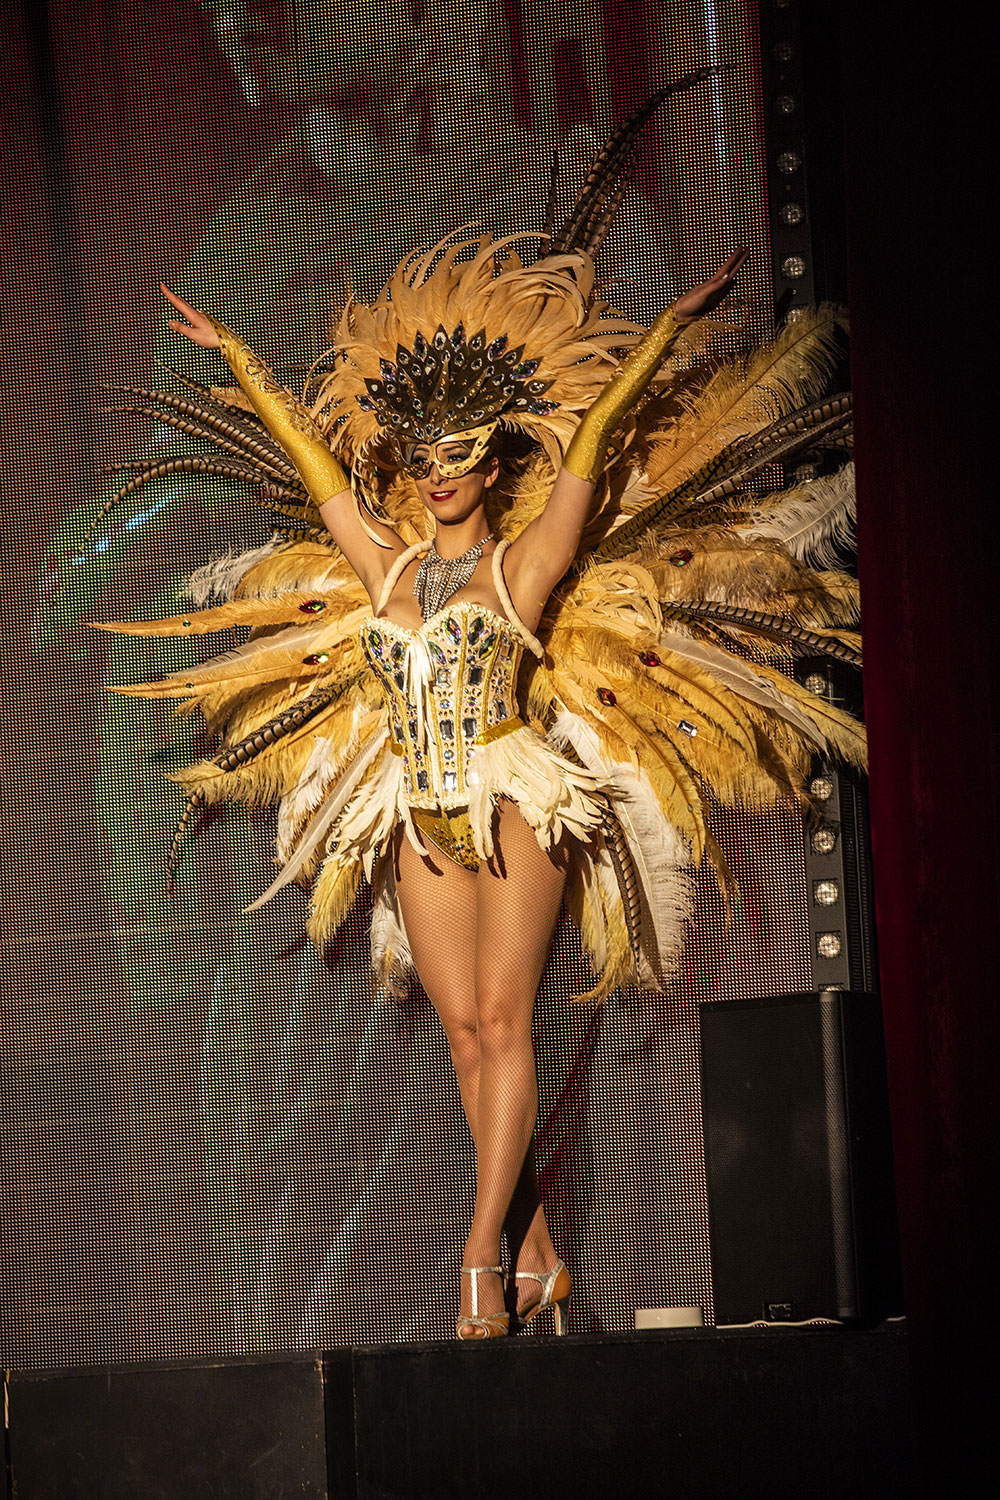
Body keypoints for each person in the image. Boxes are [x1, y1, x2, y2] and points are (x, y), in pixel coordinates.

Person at [101, 120, 863, 1342]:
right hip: (416, 808)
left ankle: (478, 1258)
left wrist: (661, 337)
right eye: (424, 457)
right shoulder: (388, 568)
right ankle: (542, 1261)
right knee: (463, 1038)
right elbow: (315, 469)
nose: (441, 471)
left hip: (514, 800)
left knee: (504, 1026)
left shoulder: (526, 567)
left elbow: (594, 448)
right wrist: (235, 353)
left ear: (490, 458)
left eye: (459, 452)